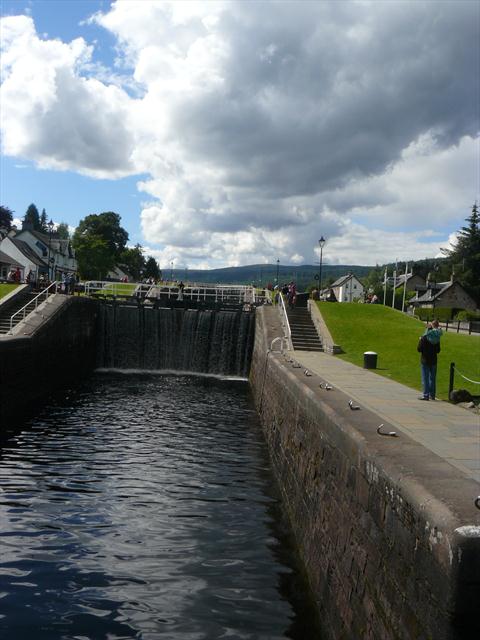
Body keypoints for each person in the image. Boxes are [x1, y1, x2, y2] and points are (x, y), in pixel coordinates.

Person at [417, 321, 442, 400]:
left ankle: (426, 395)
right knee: (432, 378)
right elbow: (438, 350)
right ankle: (432, 395)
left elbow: (419, 349)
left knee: (425, 378)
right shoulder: (437, 338)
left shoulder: (424, 337)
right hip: (434, 360)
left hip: (425, 360)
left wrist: (420, 340)